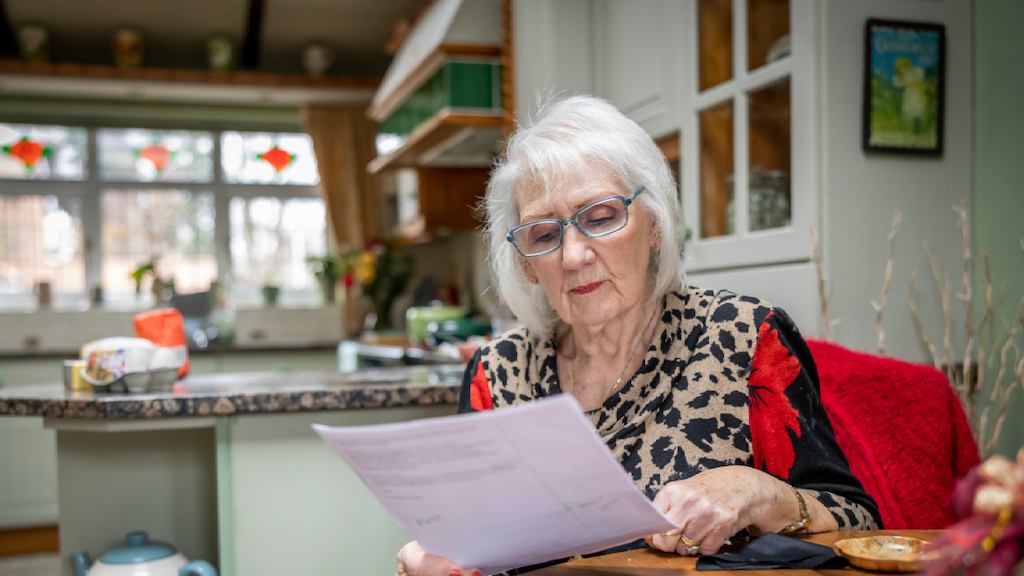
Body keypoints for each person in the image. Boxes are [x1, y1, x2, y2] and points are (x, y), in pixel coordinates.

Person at [396, 96, 880, 576]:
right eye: (544, 235)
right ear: (525, 264)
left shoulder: (742, 337)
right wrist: (435, 562)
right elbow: (468, 543)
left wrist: (758, 489)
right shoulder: (496, 374)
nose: (572, 255)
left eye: (601, 217)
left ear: (654, 223)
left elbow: (858, 524)